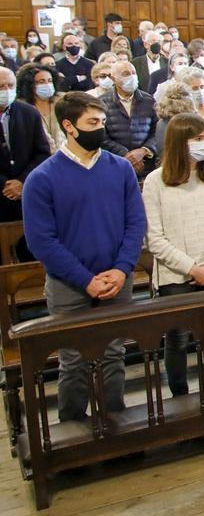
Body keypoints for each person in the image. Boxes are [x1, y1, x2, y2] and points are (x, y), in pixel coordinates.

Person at [23, 92, 146, 421]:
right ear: (69, 126)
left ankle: (115, 423)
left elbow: (135, 224)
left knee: (113, 355)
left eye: (103, 121)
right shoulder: (42, 178)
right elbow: (41, 241)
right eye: (92, 122)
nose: (100, 129)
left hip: (116, 278)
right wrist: (86, 280)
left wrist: (121, 269)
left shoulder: (120, 168)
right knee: (74, 361)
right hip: (69, 285)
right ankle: (73, 431)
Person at [142, 113, 204, 396]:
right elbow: (154, 238)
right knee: (178, 340)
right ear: (179, 142)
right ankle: (180, 399)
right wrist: (193, 269)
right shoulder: (156, 181)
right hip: (177, 275)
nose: (203, 144)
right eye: (197, 139)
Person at [0, 67, 52, 250]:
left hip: (27, 191)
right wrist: (5, 185)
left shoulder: (29, 112)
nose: (6, 91)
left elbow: (42, 153)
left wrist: (22, 181)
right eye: (1, 86)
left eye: (10, 85)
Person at [102, 60, 158, 179]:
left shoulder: (149, 100)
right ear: (113, 79)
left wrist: (143, 151)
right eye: (126, 74)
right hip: (115, 166)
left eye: (134, 73)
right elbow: (102, 137)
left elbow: (157, 131)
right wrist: (126, 155)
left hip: (146, 166)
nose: (132, 77)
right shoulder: (101, 102)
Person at [18, 62, 64, 148]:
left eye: (50, 81)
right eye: (41, 82)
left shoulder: (62, 100)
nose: (47, 85)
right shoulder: (21, 106)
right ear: (30, 85)